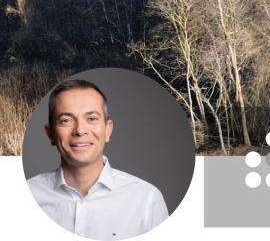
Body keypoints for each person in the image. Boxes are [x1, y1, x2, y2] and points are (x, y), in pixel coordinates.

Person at [26, 79, 169, 240]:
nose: (80, 130)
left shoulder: (146, 201)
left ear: (108, 130)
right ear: (50, 133)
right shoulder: (23, 198)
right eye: (66, 120)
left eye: (92, 118)